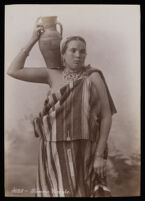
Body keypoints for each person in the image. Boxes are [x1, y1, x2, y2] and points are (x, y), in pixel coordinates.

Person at [7, 22, 117, 197]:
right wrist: (33, 39)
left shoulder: (93, 76)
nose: (78, 55)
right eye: (73, 50)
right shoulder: (52, 74)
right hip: (51, 149)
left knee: (81, 193)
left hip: (84, 148)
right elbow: (13, 70)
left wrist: (99, 156)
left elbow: (106, 116)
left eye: (82, 51)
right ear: (63, 54)